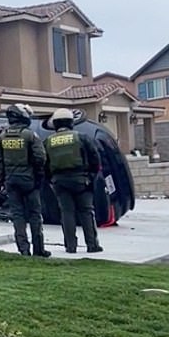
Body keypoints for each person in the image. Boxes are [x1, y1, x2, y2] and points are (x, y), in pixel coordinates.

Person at [0, 103, 50, 257]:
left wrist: (2, 180)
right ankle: (39, 249)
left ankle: (23, 249)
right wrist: (38, 176)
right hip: (29, 181)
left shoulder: (2, 136)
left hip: (10, 181)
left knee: (17, 215)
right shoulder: (30, 135)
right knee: (35, 215)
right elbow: (40, 157)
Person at [44, 108, 103, 253]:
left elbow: (44, 164)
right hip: (82, 180)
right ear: (71, 122)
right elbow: (95, 159)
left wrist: (51, 180)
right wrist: (91, 177)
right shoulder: (81, 137)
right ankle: (92, 245)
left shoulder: (48, 141)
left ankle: (70, 246)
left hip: (59, 182)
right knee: (86, 212)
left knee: (67, 213)